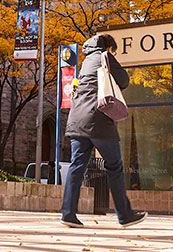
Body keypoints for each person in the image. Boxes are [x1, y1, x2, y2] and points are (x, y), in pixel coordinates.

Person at [60, 34, 146, 228]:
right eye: (114, 51)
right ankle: (124, 215)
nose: (114, 54)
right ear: (109, 48)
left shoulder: (85, 62)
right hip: (98, 120)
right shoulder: (104, 56)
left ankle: (68, 214)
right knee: (114, 166)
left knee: (77, 167)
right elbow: (124, 80)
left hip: (76, 121)